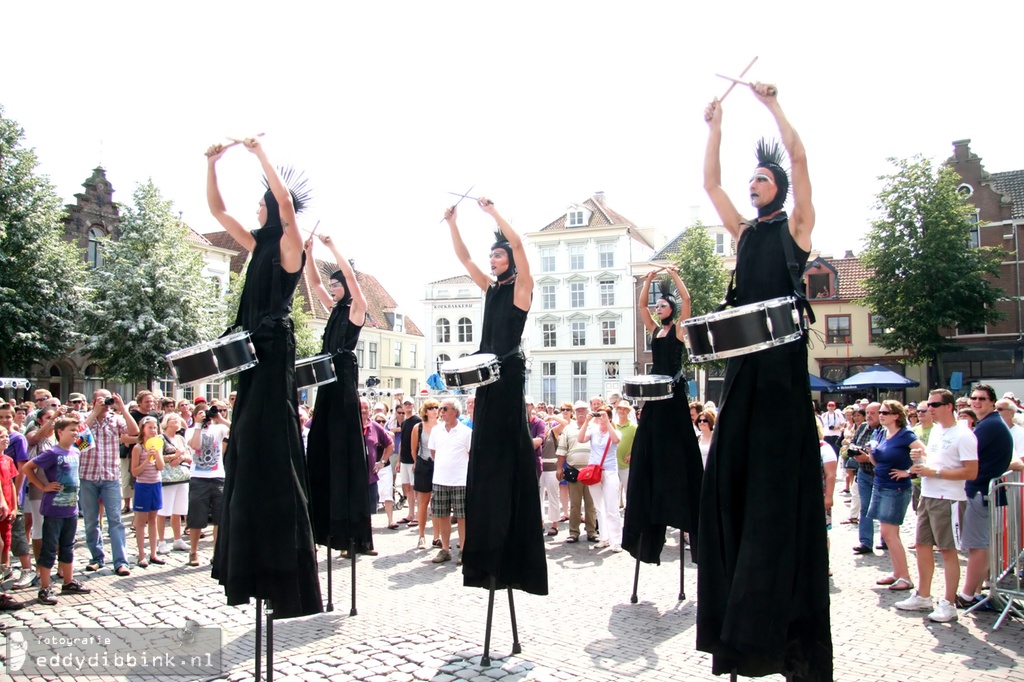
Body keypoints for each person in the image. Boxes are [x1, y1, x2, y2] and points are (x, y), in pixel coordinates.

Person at [697, 82, 831, 680]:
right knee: (727, 486)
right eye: (750, 180)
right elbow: (710, 185)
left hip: (780, 377)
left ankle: (782, 627)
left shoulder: (795, 231)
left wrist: (773, 107)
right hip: (742, 372)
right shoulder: (745, 235)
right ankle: (735, 619)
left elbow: (801, 160)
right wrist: (715, 128)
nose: (752, 186)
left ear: (777, 188)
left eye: (761, 179)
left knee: (775, 494)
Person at [204, 136, 321, 618]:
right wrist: (211, 165)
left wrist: (259, 157)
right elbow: (217, 212)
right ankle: (248, 556)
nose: (255, 208)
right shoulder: (255, 246)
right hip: (250, 354)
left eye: (262, 202)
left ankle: (283, 571)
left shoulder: (289, 245)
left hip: (274, 357)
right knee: (246, 451)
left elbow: (289, 209)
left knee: (267, 447)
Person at [444, 197, 546, 596]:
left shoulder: (522, 287)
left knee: (506, 447)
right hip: (485, 375)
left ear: (511, 261)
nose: (492, 259)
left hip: (508, 371)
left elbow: (519, 245)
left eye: (498, 254)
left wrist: (493, 215)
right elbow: (465, 258)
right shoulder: (489, 288)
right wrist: (453, 222)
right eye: (492, 255)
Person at [624, 267, 703, 566]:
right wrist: (648, 281)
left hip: (674, 393)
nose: (658, 309)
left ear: (672, 309)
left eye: (663, 305)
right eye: (659, 306)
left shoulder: (679, 330)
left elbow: (687, 298)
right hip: (655, 394)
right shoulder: (655, 330)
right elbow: (641, 305)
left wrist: (673, 274)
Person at [303, 231, 370, 556]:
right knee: (320, 447)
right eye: (332, 286)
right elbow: (315, 285)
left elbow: (354, 282)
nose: (331, 290)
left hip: (343, 382)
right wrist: (308, 255)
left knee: (343, 452)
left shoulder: (356, 308)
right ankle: (321, 527)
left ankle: (351, 535)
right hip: (326, 384)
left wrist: (332, 248)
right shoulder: (333, 310)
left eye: (337, 285)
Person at [898, 389, 978, 622]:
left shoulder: (963, 434)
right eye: (927, 405)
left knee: (947, 550)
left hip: (950, 498)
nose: (928, 409)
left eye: (934, 405)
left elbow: (971, 471)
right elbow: (934, 463)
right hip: (929, 495)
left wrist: (935, 472)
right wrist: (920, 462)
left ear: (948, 406)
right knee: (922, 545)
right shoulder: (935, 432)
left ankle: (949, 602)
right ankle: (923, 595)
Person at [23, 416, 91, 605]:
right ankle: (44, 587)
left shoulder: (76, 451)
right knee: (49, 548)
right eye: (71, 430)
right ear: (60, 432)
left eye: (76, 430)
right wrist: (43, 486)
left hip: (71, 508)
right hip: (54, 508)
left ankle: (68, 582)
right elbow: (28, 468)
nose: (75, 433)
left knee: (68, 546)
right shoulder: (52, 453)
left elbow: (89, 438)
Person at [958, 383, 1013, 609]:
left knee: (977, 547)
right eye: (974, 398)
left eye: (982, 398)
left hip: (982, 492)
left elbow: (965, 455)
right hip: (987, 491)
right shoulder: (990, 424)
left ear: (992, 402)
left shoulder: (989, 426)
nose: (977, 402)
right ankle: (977, 590)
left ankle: (968, 595)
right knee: (983, 545)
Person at [866, 401, 923, 593]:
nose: (881, 415)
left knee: (889, 533)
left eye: (885, 412)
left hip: (896, 487)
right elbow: (877, 460)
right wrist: (870, 452)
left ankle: (905, 577)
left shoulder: (905, 434)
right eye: (880, 412)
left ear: (896, 415)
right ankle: (897, 572)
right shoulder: (881, 433)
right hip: (880, 484)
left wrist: (909, 471)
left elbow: (923, 452)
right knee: (888, 533)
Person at [81, 390, 136, 576]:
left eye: (107, 399)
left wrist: (122, 409)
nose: (105, 403)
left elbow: (135, 431)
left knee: (116, 520)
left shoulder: (115, 419)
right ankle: (96, 558)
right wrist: (95, 412)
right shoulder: (84, 418)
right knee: (91, 521)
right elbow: (78, 440)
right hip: (88, 476)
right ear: (93, 400)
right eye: (101, 399)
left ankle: (120, 561)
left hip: (110, 477)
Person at [427, 398, 473, 565]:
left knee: (462, 517)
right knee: (442, 515)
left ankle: (463, 549)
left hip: (461, 480)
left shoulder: (466, 432)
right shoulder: (436, 431)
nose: (441, 411)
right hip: (440, 479)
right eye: (441, 408)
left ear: (455, 411)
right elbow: (433, 452)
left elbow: (471, 454)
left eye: (445, 408)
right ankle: (445, 549)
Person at [577, 404, 622, 552]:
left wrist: (607, 423)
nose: (601, 420)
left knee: (611, 507)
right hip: (594, 471)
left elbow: (616, 440)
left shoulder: (614, 431)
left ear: (609, 417)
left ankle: (616, 541)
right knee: (599, 507)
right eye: (599, 417)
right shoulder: (594, 431)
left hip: (609, 471)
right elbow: (581, 439)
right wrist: (586, 422)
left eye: (603, 417)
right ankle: (604, 538)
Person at [130, 416, 165, 567]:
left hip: (155, 484)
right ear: (143, 429)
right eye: (150, 427)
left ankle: (153, 553)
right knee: (140, 521)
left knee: (153, 519)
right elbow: (135, 472)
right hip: (143, 486)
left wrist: (156, 453)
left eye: (155, 427)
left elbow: (161, 466)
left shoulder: (158, 445)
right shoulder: (138, 448)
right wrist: (146, 459)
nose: (153, 430)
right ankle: (141, 554)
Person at [155, 413, 191, 556]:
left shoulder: (181, 438)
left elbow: (188, 455)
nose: (176, 422)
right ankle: (161, 541)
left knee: (178, 510)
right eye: (173, 419)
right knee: (164, 511)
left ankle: (178, 539)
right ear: (166, 422)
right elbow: (157, 457)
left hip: (182, 477)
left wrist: (181, 457)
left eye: (178, 419)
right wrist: (173, 457)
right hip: (167, 479)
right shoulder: (160, 438)